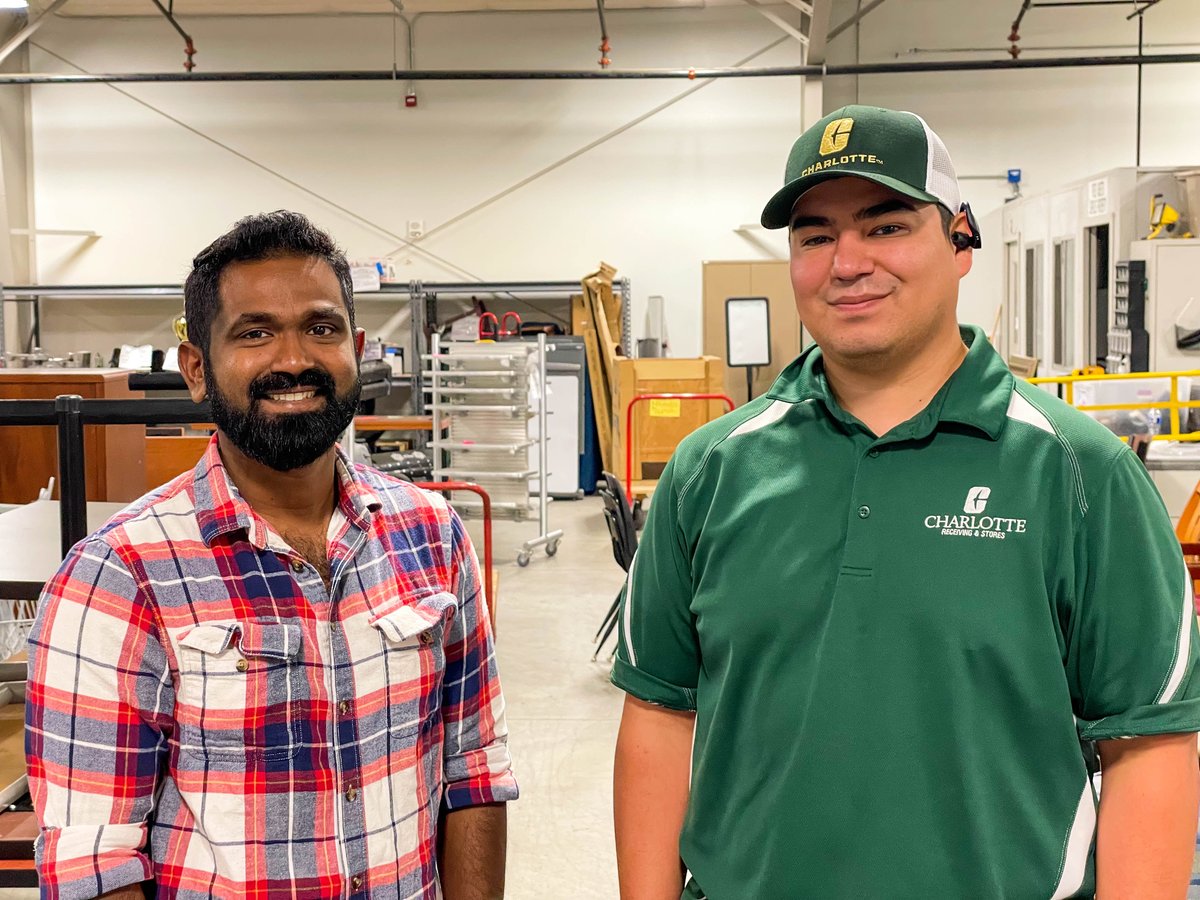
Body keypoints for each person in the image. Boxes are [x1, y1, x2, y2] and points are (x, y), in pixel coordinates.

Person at [611, 105, 1200, 899]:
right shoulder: (711, 469)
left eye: (885, 226)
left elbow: (1148, 745)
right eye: (815, 237)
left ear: (961, 241)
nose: (846, 263)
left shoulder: (1076, 473)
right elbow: (659, 712)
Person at [26, 210, 516, 899]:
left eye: (321, 328)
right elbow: (92, 859)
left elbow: (474, 767)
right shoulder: (117, 576)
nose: (293, 360)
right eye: (254, 333)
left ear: (357, 347)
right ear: (197, 369)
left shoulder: (431, 532)